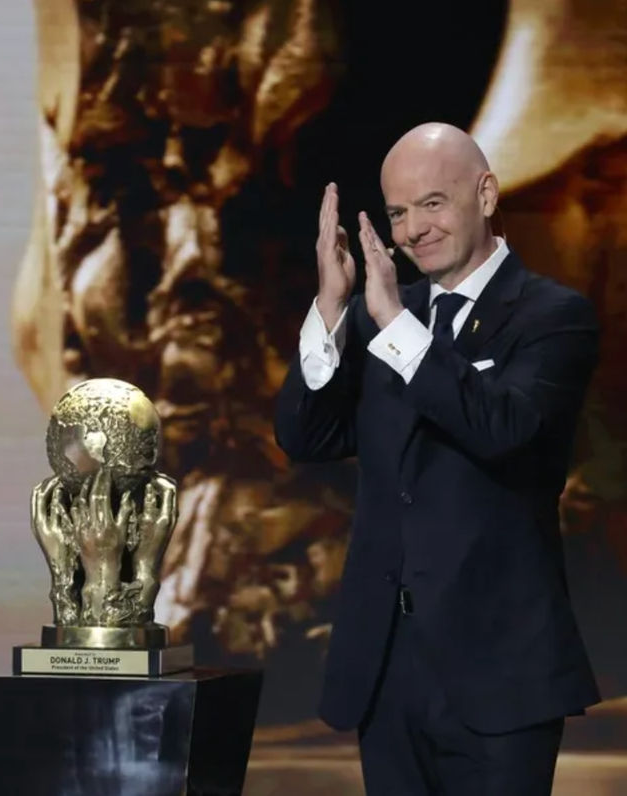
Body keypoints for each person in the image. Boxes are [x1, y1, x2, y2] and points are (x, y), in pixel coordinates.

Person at [274, 122, 601, 794]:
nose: (412, 230)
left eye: (431, 204)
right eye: (397, 212)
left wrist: (396, 326)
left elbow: (501, 425)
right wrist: (333, 307)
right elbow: (308, 437)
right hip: (386, 671)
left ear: (485, 195)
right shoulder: (378, 315)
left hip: (499, 675)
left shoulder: (552, 316)